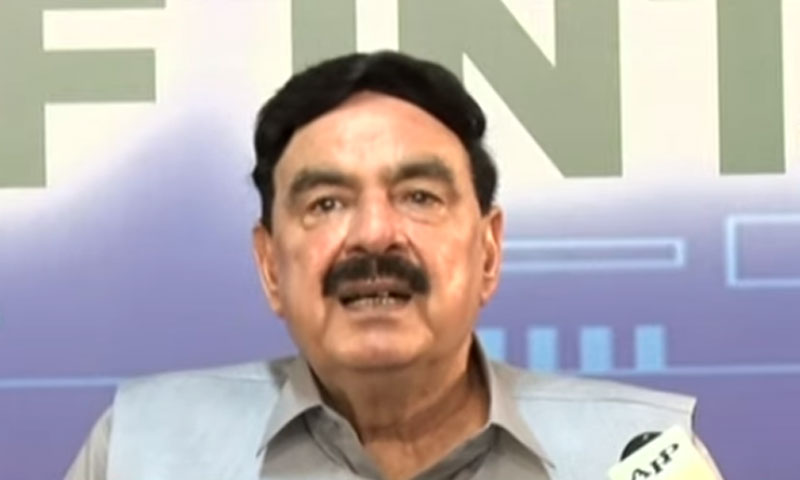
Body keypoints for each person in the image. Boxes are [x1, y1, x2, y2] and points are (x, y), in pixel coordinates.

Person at [66, 51, 723, 480]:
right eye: (326, 203)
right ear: (269, 266)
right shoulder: (141, 452)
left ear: (488, 252)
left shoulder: (637, 454)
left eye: (419, 197)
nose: (375, 235)